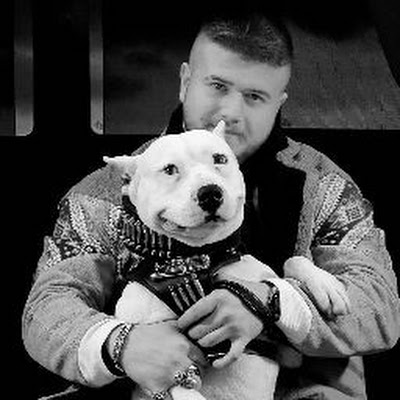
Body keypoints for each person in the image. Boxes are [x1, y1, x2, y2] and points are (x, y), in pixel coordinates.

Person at [22, 12, 400, 400]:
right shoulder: (103, 193)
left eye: (255, 96)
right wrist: (121, 344)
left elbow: (378, 306)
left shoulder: (324, 186)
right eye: (218, 86)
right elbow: (48, 308)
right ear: (185, 82)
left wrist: (271, 303)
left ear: (279, 103)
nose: (231, 113)